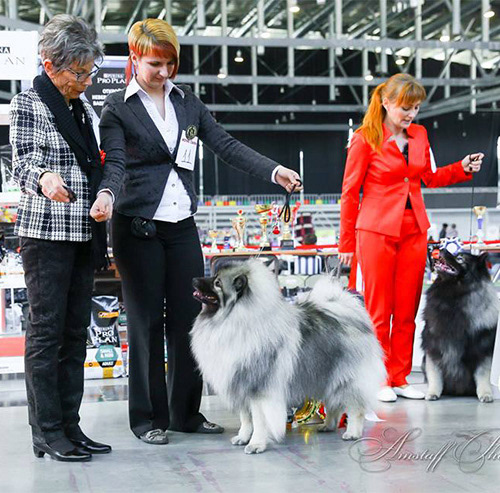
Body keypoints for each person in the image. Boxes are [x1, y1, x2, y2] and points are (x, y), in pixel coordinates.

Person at [91, 18, 302, 444]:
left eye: (170, 63)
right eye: (155, 64)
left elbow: (226, 145)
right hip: (137, 227)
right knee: (146, 323)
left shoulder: (187, 103)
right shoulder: (116, 108)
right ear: (134, 58)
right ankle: (147, 419)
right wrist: (108, 194)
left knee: (192, 319)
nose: (164, 72)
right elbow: (114, 161)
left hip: (182, 225)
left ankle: (185, 413)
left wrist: (274, 170)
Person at [338, 73, 482, 403]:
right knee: (378, 311)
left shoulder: (420, 135)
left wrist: (462, 167)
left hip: (414, 230)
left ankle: (400, 377)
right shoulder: (364, 139)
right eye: (405, 107)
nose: (411, 114)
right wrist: (346, 244)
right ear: (386, 102)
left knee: (407, 311)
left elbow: (428, 177)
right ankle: (378, 379)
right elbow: (349, 193)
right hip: (375, 231)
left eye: (416, 108)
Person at [10, 15, 111, 461]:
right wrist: (44, 178)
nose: (86, 82)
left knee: (74, 335)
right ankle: (46, 431)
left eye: (90, 72)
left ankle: (70, 425)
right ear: (50, 65)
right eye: (79, 73)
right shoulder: (28, 103)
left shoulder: (81, 108)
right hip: (46, 235)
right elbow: (22, 161)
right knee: (45, 334)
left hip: (83, 234)